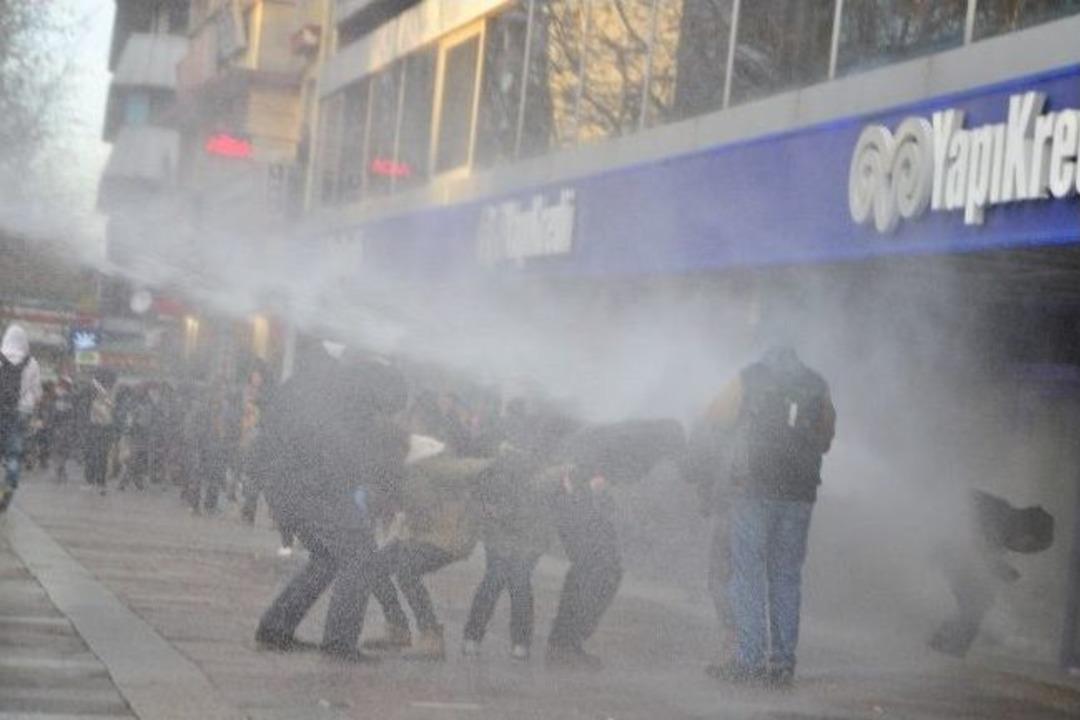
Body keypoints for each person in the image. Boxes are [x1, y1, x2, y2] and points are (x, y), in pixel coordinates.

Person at [253, 343, 408, 661]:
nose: (385, 414)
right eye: (388, 407)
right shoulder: (350, 399)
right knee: (361, 556)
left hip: (290, 483)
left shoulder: (332, 387)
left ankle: (275, 628)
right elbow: (341, 455)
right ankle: (339, 642)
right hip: (311, 485)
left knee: (327, 557)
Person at [707, 346, 835, 687]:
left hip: (753, 489)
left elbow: (715, 416)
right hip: (799, 495)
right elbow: (826, 439)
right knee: (786, 577)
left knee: (747, 575)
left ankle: (748, 660)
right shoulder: (817, 383)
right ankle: (781, 664)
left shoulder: (749, 376)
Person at [545, 418, 686, 669]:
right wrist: (588, 488)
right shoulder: (635, 446)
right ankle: (566, 642)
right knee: (599, 570)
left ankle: (566, 641)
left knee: (593, 569)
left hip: (577, 500)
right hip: (576, 500)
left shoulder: (630, 437)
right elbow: (590, 470)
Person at [929, 489, 1053, 658]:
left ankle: (943, 647)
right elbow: (971, 545)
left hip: (944, 547)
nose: (1023, 551)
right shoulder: (999, 516)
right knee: (977, 600)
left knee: (978, 600)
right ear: (1027, 534)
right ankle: (944, 649)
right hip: (937, 542)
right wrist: (998, 568)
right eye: (1029, 547)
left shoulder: (1002, 519)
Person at [463, 446, 554, 661]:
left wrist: (494, 512)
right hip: (503, 535)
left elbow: (526, 511)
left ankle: (477, 638)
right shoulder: (500, 469)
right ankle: (513, 642)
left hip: (526, 536)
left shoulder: (529, 472)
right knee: (501, 579)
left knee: (512, 581)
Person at [0, 324, 42, 512]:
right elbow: (37, 392)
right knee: (14, 452)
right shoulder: (32, 363)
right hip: (20, 412)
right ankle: (9, 486)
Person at [84, 370, 117, 496]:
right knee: (96, 454)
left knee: (100, 455)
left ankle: (98, 481)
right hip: (98, 428)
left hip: (102, 428)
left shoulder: (107, 395)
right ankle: (95, 480)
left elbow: (111, 410)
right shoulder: (98, 395)